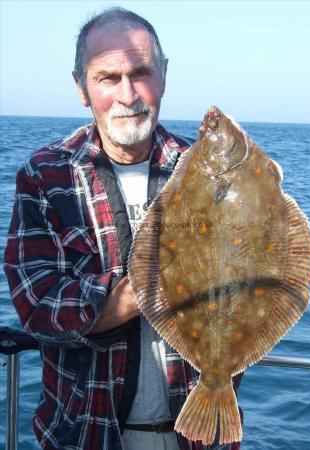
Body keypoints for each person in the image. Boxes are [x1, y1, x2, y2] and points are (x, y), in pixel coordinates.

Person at [4, 7, 242, 450]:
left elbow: (251, 281)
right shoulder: (45, 175)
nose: (127, 93)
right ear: (81, 87)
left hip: (202, 436)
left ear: (164, 75)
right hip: (86, 435)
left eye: (141, 72)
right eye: (107, 77)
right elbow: (39, 304)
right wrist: (151, 285)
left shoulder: (212, 173)